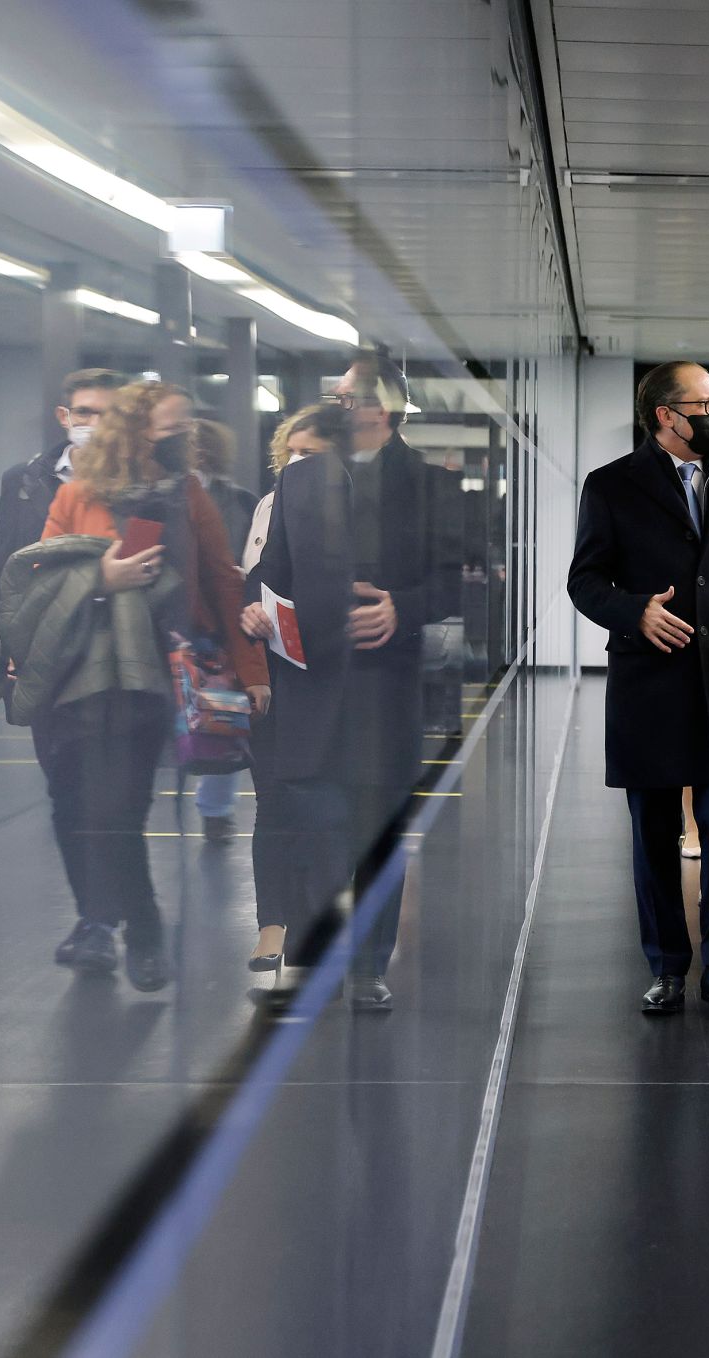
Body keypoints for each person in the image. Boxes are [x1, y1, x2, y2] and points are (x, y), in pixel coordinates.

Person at [23, 381, 268, 991]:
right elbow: (41, 579)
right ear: (135, 429)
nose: (182, 435)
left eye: (187, 424)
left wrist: (252, 670)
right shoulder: (76, 494)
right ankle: (98, 918)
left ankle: (145, 927)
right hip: (77, 673)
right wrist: (101, 576)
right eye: (169, 424)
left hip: (152, 677)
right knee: (74, 806)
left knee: (117, 810)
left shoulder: (187, 497)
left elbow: (221, 579)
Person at [569, 361, 709, 1021]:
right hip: (651, 684)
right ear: (666, 415)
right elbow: (586, 580)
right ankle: (666, 966)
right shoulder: (611, 486)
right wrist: (634, 610)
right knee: (654, 830)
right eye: (706, 404)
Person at [319, 354, 463, 1010]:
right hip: (314, 681)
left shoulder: (431, 486)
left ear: (390, 407)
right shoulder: (312, 473)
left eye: (359, 396)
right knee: (318, 823)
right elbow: (271, 564)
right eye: (343, 395)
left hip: (386, 683)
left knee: (377, 824)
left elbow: (450, 582)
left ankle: (370, 963)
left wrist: (400, 607)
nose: (348, 406)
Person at [239, 402, 360, 991]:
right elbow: (260, 574)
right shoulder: (275, 501)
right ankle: (273, 923)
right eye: (295, 452)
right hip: (278, 670)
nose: (300, 463)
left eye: (313, 454)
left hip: (334, 672)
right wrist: (253, 611)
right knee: (277, 803)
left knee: (327, 808)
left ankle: (315, 922)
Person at [188, 417, 260, 844]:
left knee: (221, 718)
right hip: (177, 624)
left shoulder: (239, 501)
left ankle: (215, 810)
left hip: (223, 627)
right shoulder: (160, 494)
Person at [0, 368, 126, 578]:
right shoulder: (22, 480)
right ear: (64, 416)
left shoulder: (138, 481)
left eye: (109, 414)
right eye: (83, 412)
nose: (96, 424)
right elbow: (4, 564)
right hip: (39, 605)